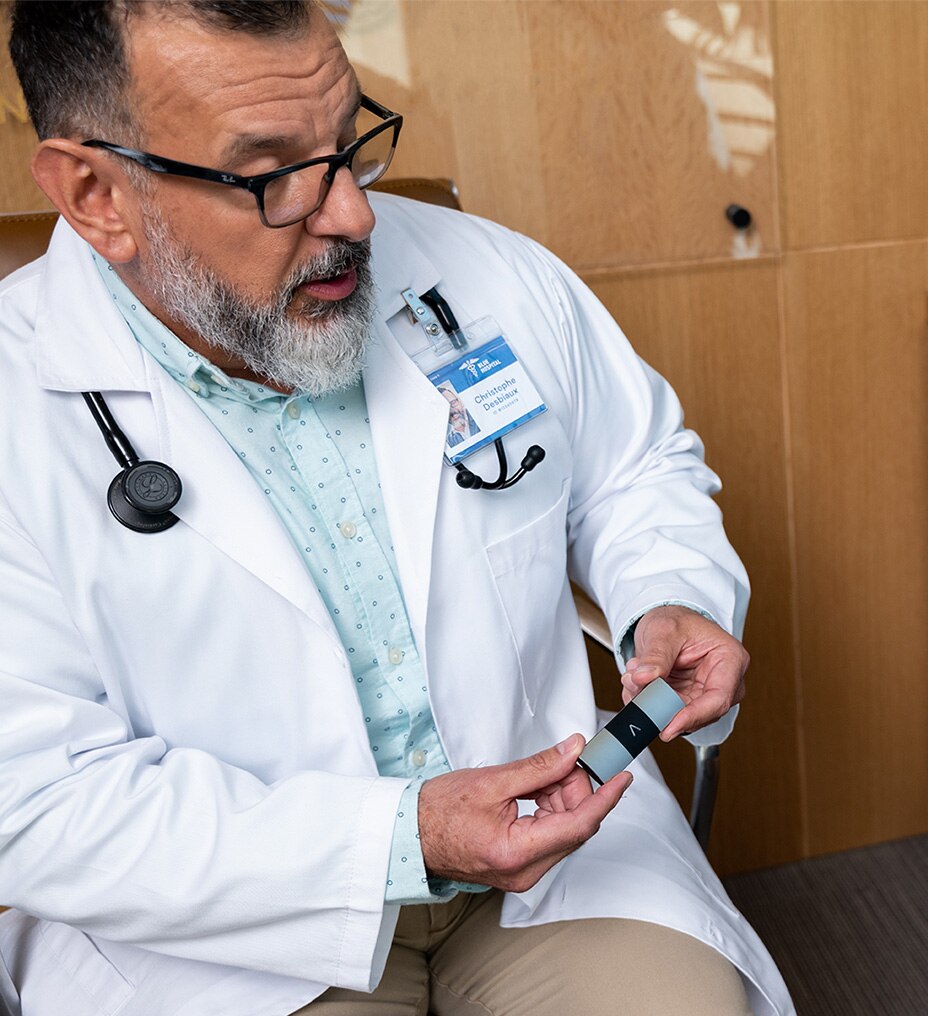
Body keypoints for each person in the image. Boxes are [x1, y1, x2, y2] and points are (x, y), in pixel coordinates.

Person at [0, 3, 794, 1015]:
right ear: (96, 195)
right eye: (273, 175)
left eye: (348, 143)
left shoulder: (484, 271)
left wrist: (667, 593)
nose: (352, 215)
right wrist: (398, 839)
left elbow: (635, 467)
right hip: (221, 936)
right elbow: (34, 798)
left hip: (558, 855)